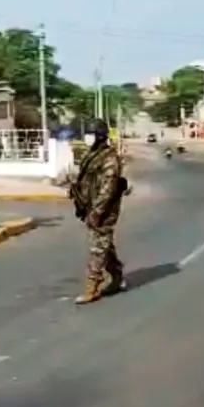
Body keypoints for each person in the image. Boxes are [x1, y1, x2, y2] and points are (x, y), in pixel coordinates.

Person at [70, 118, 128, 304]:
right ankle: (117, 275)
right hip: (91, 206)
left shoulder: (110, 158)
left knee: (97, 246)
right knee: (104, 245)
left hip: (105, 209)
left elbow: (108, 188)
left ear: (100, 136)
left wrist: (97, 211)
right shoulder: (93, 154)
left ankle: (92, 286)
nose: (87, 137)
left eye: (91, 134)